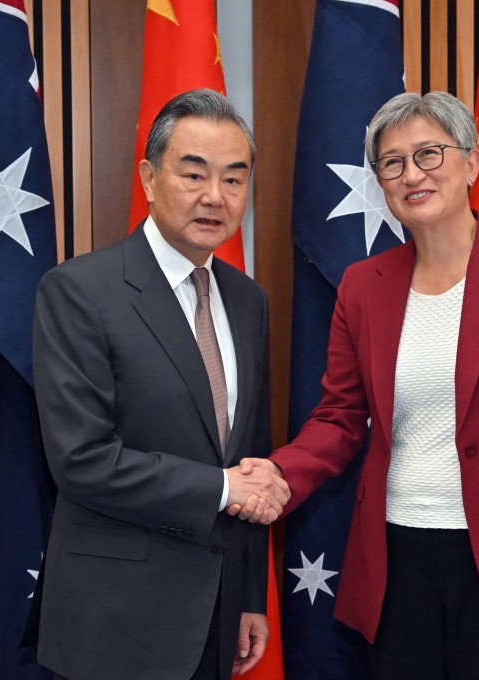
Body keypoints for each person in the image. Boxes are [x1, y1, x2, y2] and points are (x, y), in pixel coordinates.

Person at [234, 91, 479, 679]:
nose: (411, 174)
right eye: (392, 163)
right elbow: (339, 417)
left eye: (428, 154)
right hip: (397, 564)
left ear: (470, 163)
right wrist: (282, 473)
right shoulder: (363, 287)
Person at [31, 89, 288, 680]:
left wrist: (249, 593)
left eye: (233, 179)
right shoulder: (79, 292)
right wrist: (222, 487)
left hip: (218, 613)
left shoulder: (249, 301)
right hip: (115, 620)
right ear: (149, 178)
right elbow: (82, 460)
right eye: (193, 173)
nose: (213, 197)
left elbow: (250, 454)